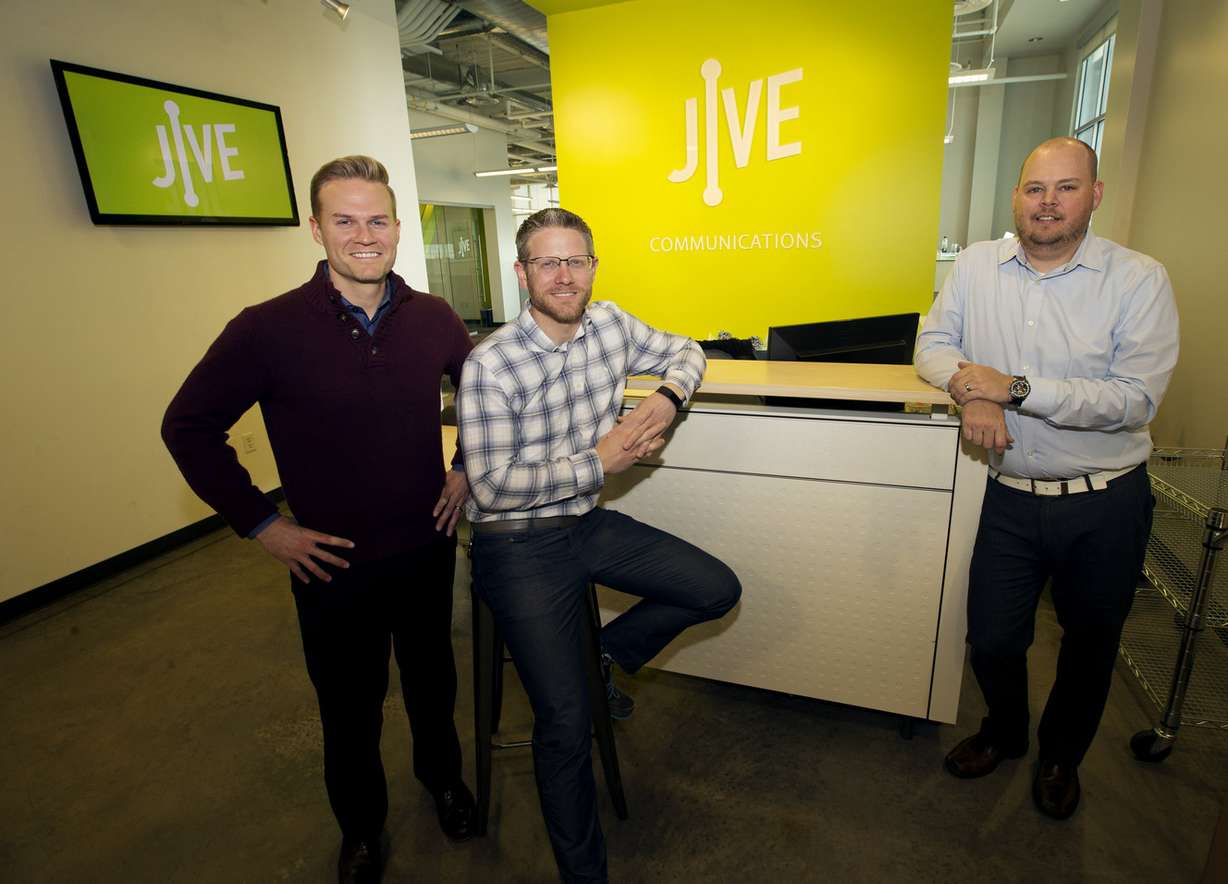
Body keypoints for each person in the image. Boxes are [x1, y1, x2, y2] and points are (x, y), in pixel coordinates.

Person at [162, 155, 477, 883]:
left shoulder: (434, 319)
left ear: (398, 228)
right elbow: (188, 426)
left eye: (376, 220)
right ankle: (361, 828)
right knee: (349, 708)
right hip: (331, 565)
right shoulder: (266, 329)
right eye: (344, 220)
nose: (363, 235)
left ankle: (444, 783)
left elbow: (484, 398)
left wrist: (465, 465)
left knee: (434, 684)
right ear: (316, 228)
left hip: (427, 546)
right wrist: (262, 524)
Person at [456, 208, 741, 882]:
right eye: (548, 262)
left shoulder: (610, 324)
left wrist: (669, 398)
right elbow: (489, 487)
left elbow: (688, 350)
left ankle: (606, 653)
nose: (564, 275)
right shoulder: (491, 363)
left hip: (584, 525)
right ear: (522, 272)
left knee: (715, 588)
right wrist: (598, 461)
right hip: (516, 544)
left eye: (576, 260)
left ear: (593, 266)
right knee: (565, 724)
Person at [915, 137, 1179, 820]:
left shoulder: (1138, 279)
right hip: (1008, 495)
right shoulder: (976, 267)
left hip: (1106, 502)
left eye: (1066, 188)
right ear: (1017, 197)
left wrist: (1018, 389)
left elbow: (1132, 399)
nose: (1048, 203)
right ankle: (1004, 732)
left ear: (1094, 195)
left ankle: (1061, 756)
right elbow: (933, 345)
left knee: (1091, 647)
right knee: (995, 637)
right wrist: (971, 390)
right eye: (1035, 188)